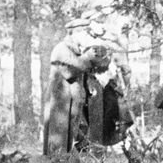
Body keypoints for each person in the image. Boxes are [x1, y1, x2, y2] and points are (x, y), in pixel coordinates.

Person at [44, 15, 131, 155]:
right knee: (61, 140)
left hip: (76, 102)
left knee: (78, 136)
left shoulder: (78, 50)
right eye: (83, 33)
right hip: (62, 103)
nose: (86, 37)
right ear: (73, 33)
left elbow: (89, 71)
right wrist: (88, 58)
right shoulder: (62, 49)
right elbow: (70, 71)